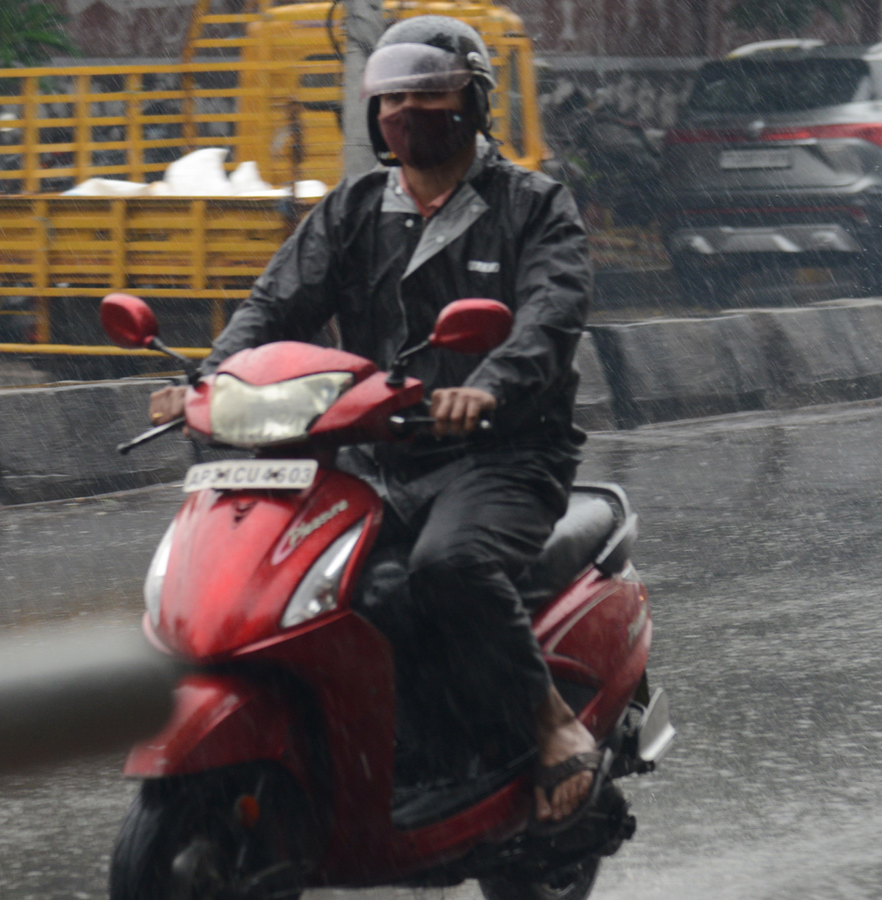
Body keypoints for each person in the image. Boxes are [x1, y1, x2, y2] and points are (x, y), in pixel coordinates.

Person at [148, 15, 597, 825]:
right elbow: (274, 306)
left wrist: (487, 388)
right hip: (373, 455)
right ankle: (364, 759)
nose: (408, 112)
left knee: (446, 569)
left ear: (474, 102)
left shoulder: (533, 206)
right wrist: (208, 379)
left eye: (430, 94)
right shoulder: (355, 208)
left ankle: (549, 723)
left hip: (501, 454)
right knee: (308, 587)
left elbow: (549, 321)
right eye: (393, 98)